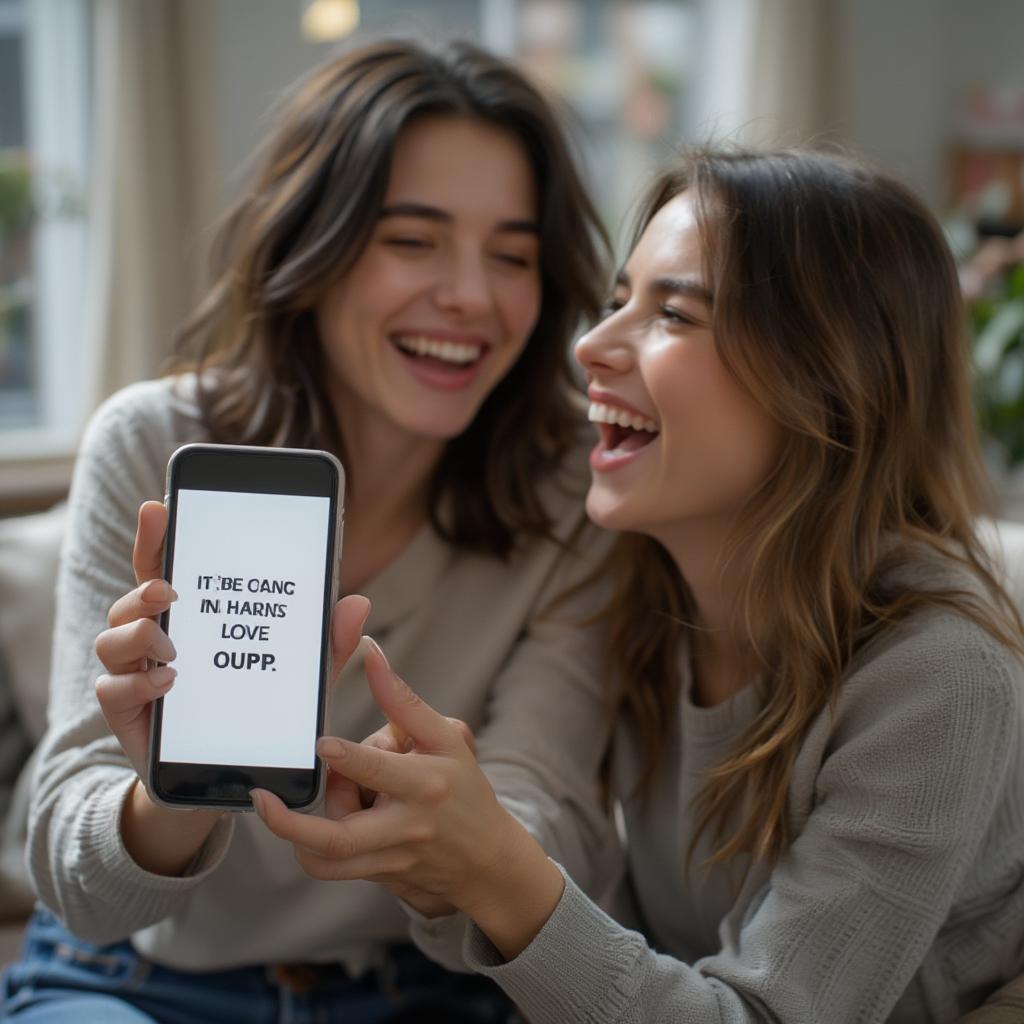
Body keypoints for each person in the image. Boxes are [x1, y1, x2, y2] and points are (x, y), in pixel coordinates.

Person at [255, 147, 1024, 1023]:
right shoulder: (633, 592)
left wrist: (498, 872)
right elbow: (572, 916)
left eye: (674, 314)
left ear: (826, 378)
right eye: (619, 298)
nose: (590, 343)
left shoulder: (940, 678)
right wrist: (444, 861)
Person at [3, 38, 620, 1023]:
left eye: (512, 254)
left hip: (424, 995)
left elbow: (552, 830)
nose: (471, 294)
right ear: (313, 248)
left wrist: (445, 843)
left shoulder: (569, 494)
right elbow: (81, 887)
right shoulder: (155, 442)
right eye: (412, 240)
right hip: (139, 984)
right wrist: (173, 779)